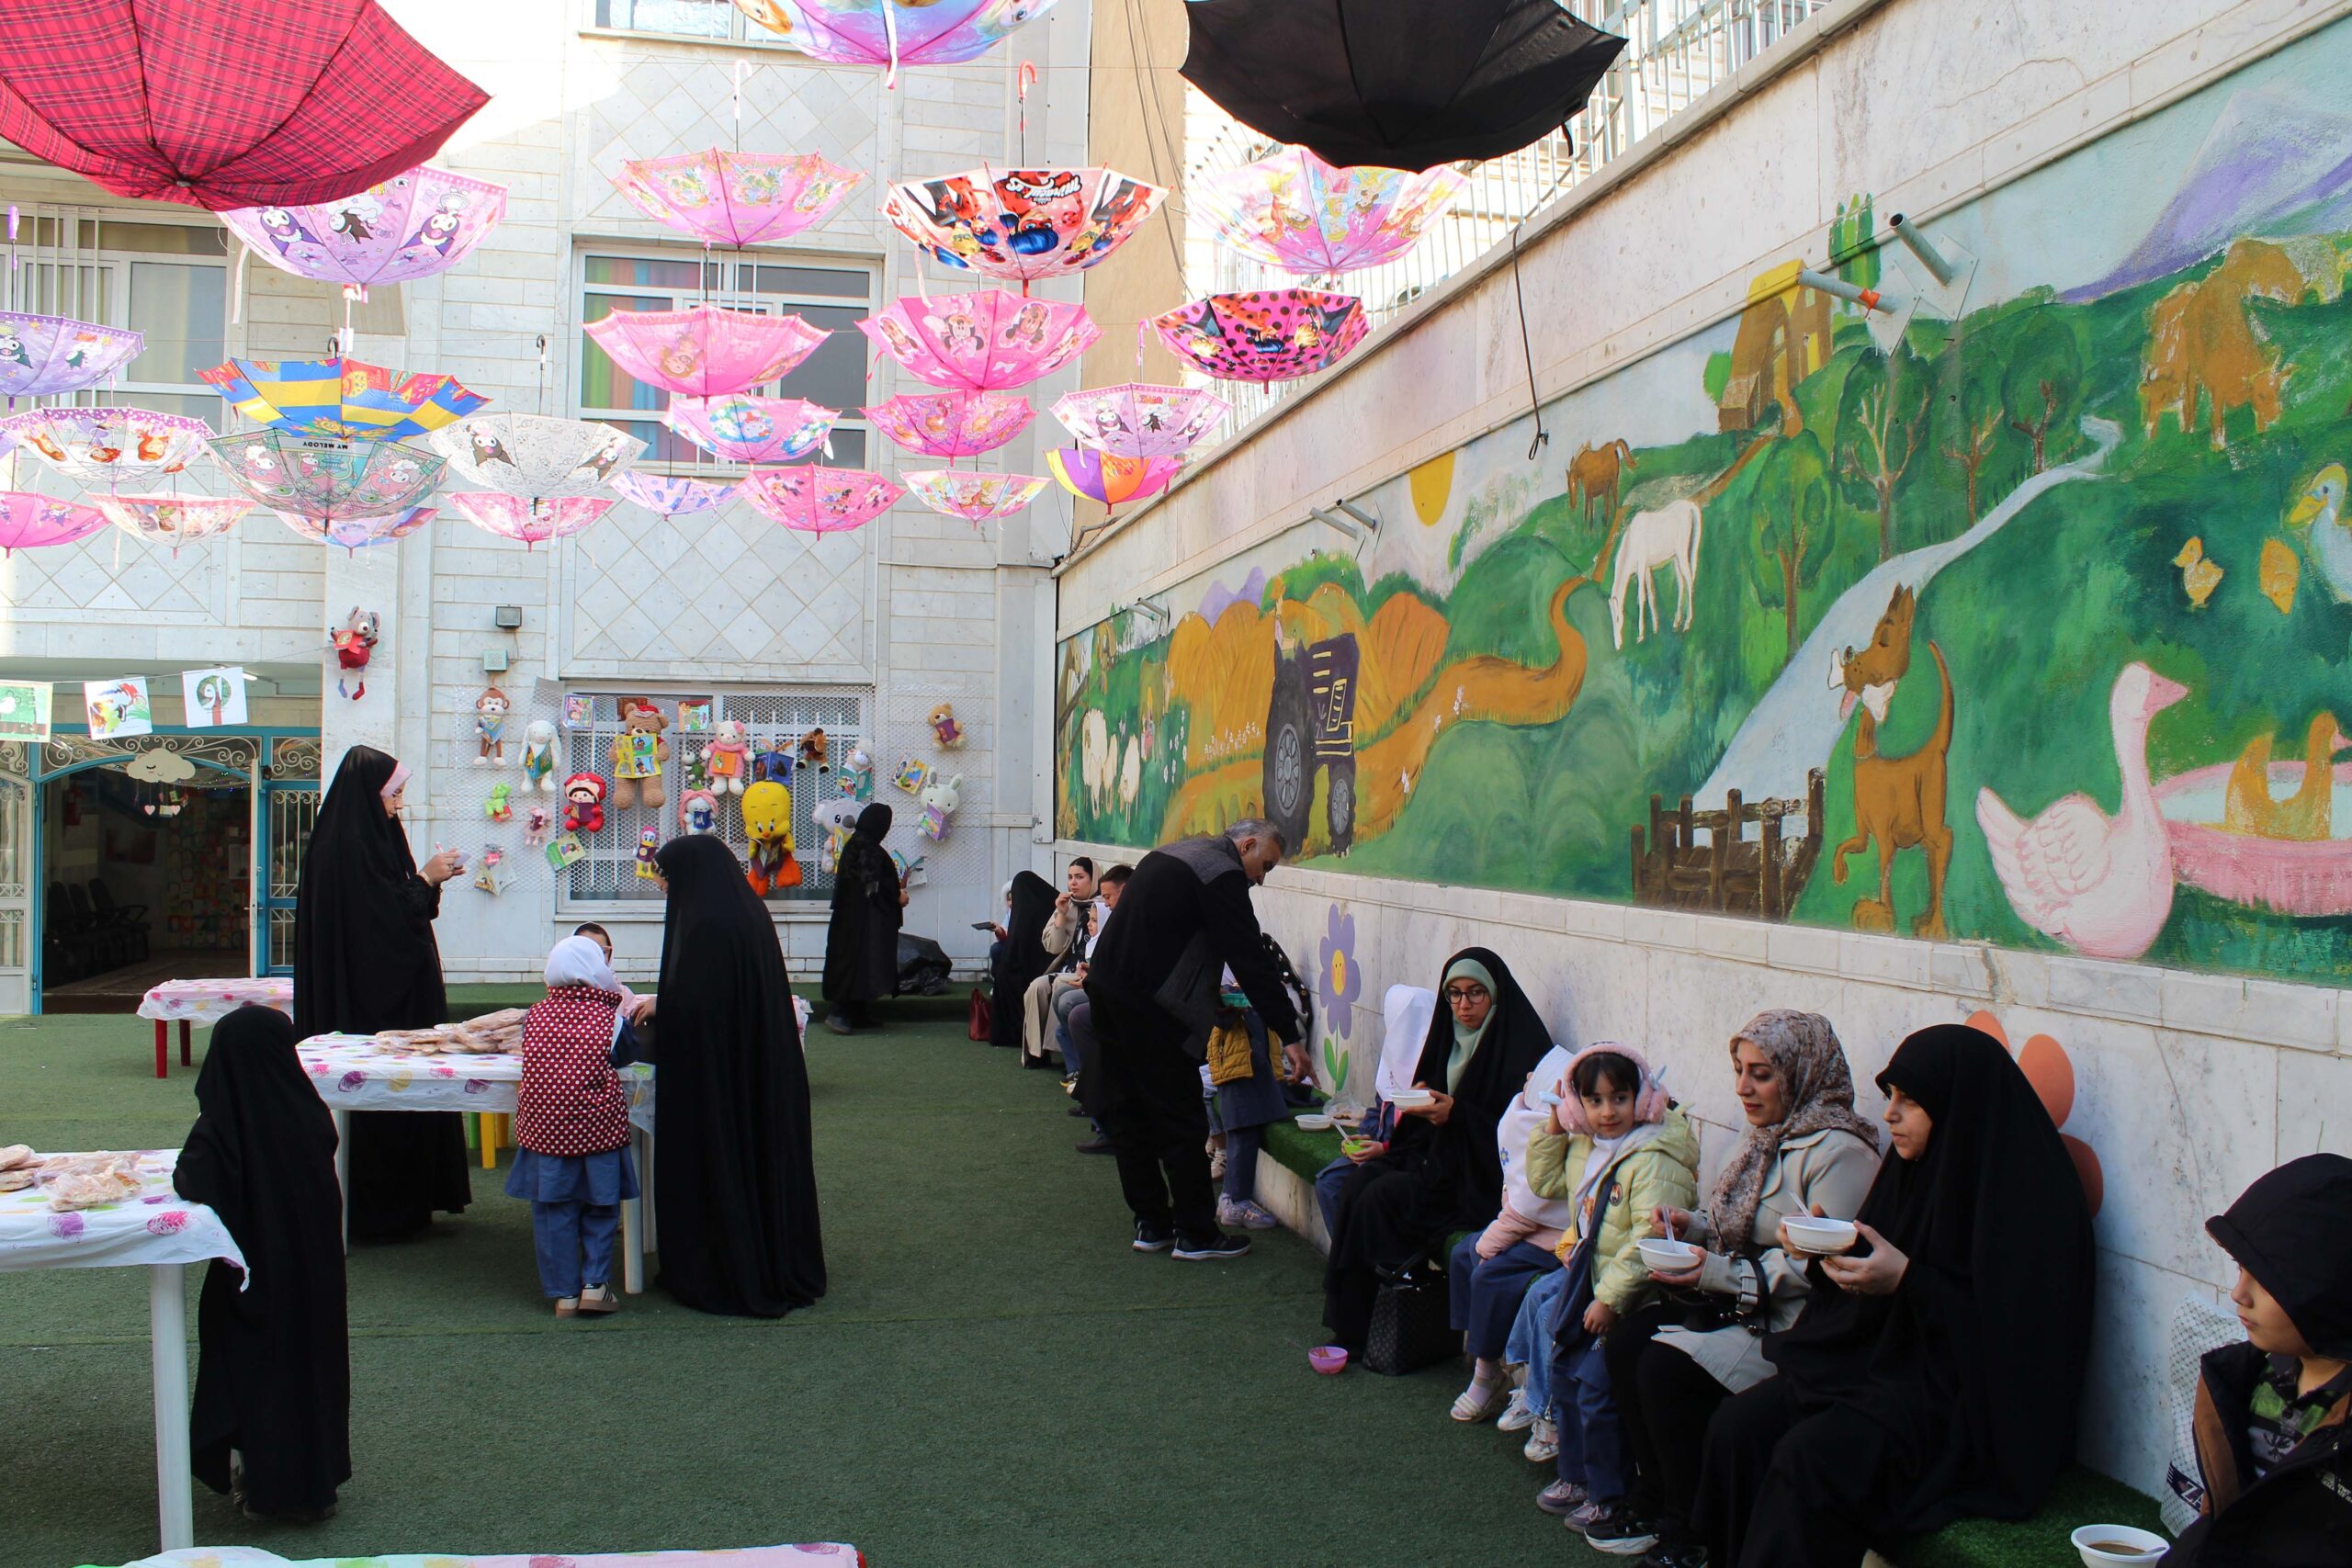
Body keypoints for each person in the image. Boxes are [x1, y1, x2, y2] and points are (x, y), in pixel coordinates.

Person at [1691, 1022, 2095, 1568]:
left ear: (1957, 1106)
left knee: (1808, 1460)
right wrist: (1826, 1251)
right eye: (1890, 1096)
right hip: (1878, 1368)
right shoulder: (1916, 1171)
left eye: (1911, 1100)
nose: (1889, 1114)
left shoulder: (2035, 1203)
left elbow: (2019, 1343)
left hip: (1960, 1403)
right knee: (1737, 1429)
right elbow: (1872, 1279)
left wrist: (1908, 1280)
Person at [1592, 1010, 1880, 1562]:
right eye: (1739, 1071)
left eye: (1761, 1074)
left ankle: (1689, 1531)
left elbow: (1819, 1268)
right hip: (1735, 1304)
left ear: (1800, 1073)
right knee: (1629, 1341)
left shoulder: (1842, 1154)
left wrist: (1714, 1272)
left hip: (1790, 1326)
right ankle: (1654, 1497)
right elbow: (1735, 1222)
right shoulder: (1765, 1135)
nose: (1743, 1088)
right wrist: (1690, 1226)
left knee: (1663, 1368)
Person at [1081, 820, 1304, 1260]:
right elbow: (1249, 957)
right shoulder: (1221, 872)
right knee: (1180, 1117)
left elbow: (1169, 941)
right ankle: (1196, 1233)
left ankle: (1151, 1222)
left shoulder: (1174, 853)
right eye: (1265, 865)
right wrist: (1289, 1034)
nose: (1261, 878)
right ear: (1246, 845)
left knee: (1129, 1111)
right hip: (1150, 1007)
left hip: (1107, 991)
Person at [1321, 949, 1552, 1352]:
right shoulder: (1447, 1037)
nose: (1463, 1005)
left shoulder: (1520, 1047)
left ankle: (1389, 1325)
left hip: (1481, 1181)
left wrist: (1457, 1114)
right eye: (1455, 994)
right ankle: (1354, 1323)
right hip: (1435, 1163)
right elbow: (1421, 1126)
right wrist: (1392, 1143)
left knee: (1381, 1197)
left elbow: (1523, 1140)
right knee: (1358, 1182)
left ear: (1495, 995)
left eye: (1476, 993)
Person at [634, 835, 826, 1316]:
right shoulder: (742, 913)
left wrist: (666, 1008)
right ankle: (764, 1255)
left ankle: (724, 1266)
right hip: (752, 1068)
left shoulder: (709, 925)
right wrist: (668, 1002)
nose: (665, 888)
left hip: (721, 1078)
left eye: (667, 878)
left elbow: (703, 1008)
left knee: (719, 1158)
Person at [172, 1005, 348, 1524]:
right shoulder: (307, 1110)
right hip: (312, 1278)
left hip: (253, 1280)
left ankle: (266, 1489)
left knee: (255, 1373)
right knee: (312, 1372)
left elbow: (192, 1180)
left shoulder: (225, 1122)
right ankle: (316, 1486)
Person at [1518, 1043, 1700, 1539]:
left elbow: (1649, 1241)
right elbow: (1543, 1182)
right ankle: (1577, 1477)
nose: (1607, 1112)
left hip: (1638, 1300)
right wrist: (1554, 1127)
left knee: (1598, 1391)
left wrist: (1611, 1300)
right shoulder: (1586, 1142)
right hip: (1590, 1289)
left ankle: (1609, 1497)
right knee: (1567, 1377)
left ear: (1644, 1098)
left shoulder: (1654, 1156)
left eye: (1619, 1098)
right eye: (1593, 1101)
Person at [291, 743, 470, 1240]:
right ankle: (377, 1209)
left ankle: (411, 1201)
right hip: (365, 1002)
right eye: (393, 794)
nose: (398, 804)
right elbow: (376, 923)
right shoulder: (344, 847)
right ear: (368, 794)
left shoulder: (379, 835)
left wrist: (431, 880)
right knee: (378, 1098)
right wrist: (424, 877)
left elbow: (409, 906)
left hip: (400, 992)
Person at [2161, 1154, 2352, 1567]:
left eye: (2263, 1278)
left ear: (2330, 1284)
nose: (2238, 1294)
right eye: (2239, 1268)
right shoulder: (2243, 1377)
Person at [507, 936, 639, 1317]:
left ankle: (563, 1293)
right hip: (598, 1131)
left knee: (553, 1210)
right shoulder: (611, 1020)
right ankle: (595, 1286)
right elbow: (626, 1054)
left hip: (546, 1133)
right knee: (601, 1205)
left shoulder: (534, 1015)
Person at [1314, 983, 1437, 1237]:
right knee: (1329, 1184)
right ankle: (1349, 1257)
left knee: (1371, 1191)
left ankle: (1375, 1258)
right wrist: (1367, 1136)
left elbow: (1428, 1139)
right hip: (1383, 1152)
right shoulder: (1393, 1058)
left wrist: (1385, 1149)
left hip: (1413, 1162)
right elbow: (1380, 1106)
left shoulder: (1436, 1067)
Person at [1211, 935, 1317, 1231]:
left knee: (1250, 1122)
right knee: (1242, 1125)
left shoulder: (1245, 958)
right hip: (1236, 1056)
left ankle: (1235, 1196)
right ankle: (1235, 1199)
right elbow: (1217, 1013)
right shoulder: (1215, 959)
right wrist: (1229, 1003)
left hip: (1252, 1055)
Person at [1058, 863, 1129, 1153]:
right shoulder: (1121, 917)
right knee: (1068, 1007)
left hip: (1137, 1012)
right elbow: (1053, 946)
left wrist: (1096, 977)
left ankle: (1098, 1106)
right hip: (1120, 1002)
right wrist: (1060, 916)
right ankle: (1087, 1089)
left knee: (1077, 1012)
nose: (1106, 903)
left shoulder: (1134, 920)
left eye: (1109, 897)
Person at [821, 802, 904, 1034]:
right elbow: (872, 883)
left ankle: (858, 1012)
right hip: (860, 922)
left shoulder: (856, 843)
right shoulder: (867, 847)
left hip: (852, 919)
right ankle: (840, 1013)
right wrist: (897, 896)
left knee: (855, 963)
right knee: (856, 964)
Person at [1022, 858, 1097, 1066]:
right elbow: (1053, 947)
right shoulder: (1067, 905)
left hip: (1084, 971)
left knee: (1059, 985)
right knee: (1036, 987)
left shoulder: (1101, 907)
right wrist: (1061, 915)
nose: (1073, 883)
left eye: (1080, 877)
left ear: (1093, 879)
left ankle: (1065, 1056)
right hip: (1064, 969)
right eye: (1070, 877)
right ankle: (1036, 1053)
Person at [989, 869, 1056, 1051]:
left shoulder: (1025, 912)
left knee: (1004, 973)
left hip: (1035, 972)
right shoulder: (1048, 906)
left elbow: (1016, 947)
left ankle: (1011, 1032)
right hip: (1044, 967)